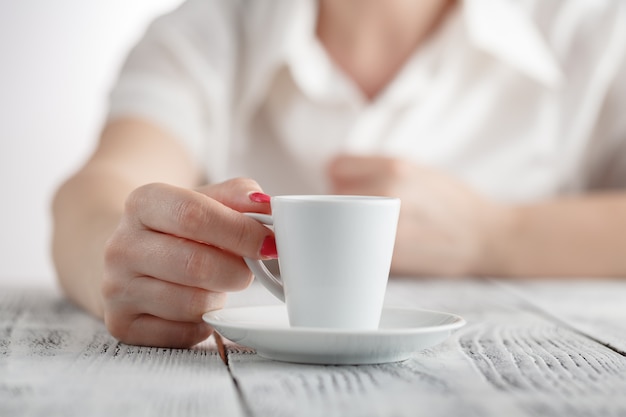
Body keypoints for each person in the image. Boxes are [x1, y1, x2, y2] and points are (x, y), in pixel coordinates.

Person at [52, 0, 626, 348]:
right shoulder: (205, 33)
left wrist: (499, 236)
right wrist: (124, 256)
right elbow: (100, 189)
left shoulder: (593, 31)